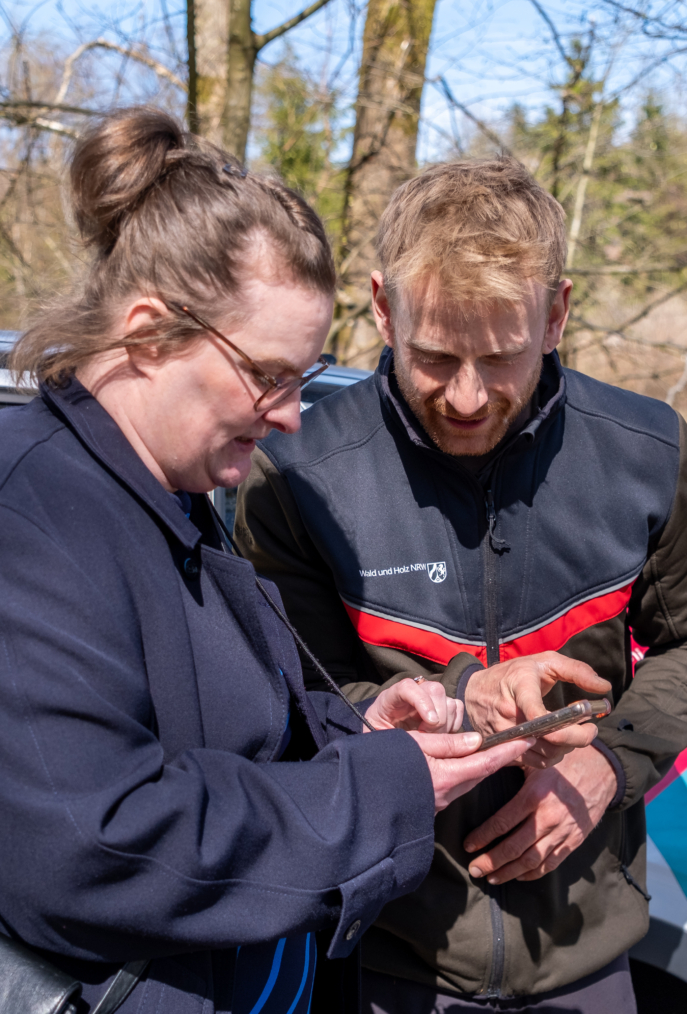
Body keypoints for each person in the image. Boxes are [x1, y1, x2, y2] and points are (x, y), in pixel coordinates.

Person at [0, 113, 603, 1014]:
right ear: (148, 335)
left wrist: (351, 730)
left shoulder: (164, 492)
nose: (288, 415)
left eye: (303, 379)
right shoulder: (35, 515)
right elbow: (98, 843)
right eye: (268, 376)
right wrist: (383, 787)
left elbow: (214, 729)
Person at [236, 156, 687, 1013]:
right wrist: (455, 695)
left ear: (555, 313)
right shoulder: (295, 474)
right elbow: (288, 698)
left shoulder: (649, 451)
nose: (468, 397)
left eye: (501, 357)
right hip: (380, 952)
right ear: (382, 308)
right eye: (434, 357)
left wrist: (612, 764)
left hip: (586, 950)